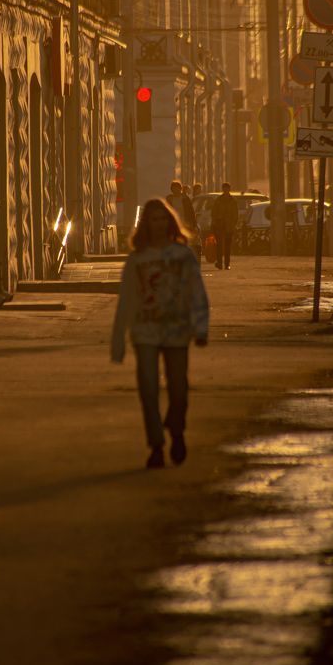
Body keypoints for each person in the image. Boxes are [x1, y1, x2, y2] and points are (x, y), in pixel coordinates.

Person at [110, 198, 209, 469]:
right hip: (145, 331)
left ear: (170, 221)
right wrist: (118, 339)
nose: (158, 224)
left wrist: (200, 327)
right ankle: (156, 445)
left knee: (178, 388)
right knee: (148, 388)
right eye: (153, 219)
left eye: (162, 218)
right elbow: (127, 298)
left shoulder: (182, 255)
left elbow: (196, 291)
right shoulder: (137, 258)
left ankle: (176, 430)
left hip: (177, 329)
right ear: (145, 224)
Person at [210, 182, 239, 270]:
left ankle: (227, 264)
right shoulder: (218, 200)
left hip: (229, 226)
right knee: (219, 246)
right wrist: (215, 221)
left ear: (229, 189)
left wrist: (234, 224)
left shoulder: (233, 201)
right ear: (222, 189)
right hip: (219, 225)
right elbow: (214, 212)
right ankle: (219, 263)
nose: (226, 190)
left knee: (227, 246)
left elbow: (235, 214)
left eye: (227, 188)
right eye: (224, 188)